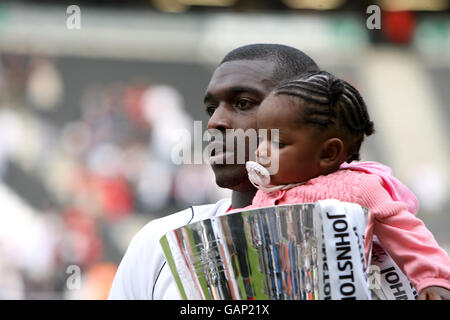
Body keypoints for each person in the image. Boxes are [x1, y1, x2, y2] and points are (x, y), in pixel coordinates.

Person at [108, 43, 320, 299]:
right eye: (211, 109)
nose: (214, 122)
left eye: (242, 103)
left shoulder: (358, 239)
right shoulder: (158, 245)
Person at [238, 70, 450, 300]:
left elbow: (406, 232)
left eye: (277, 143)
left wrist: (433, 278)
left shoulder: (358, 187)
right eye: (262, 138)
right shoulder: (266, 194)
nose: (260, 151)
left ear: (328, 152)